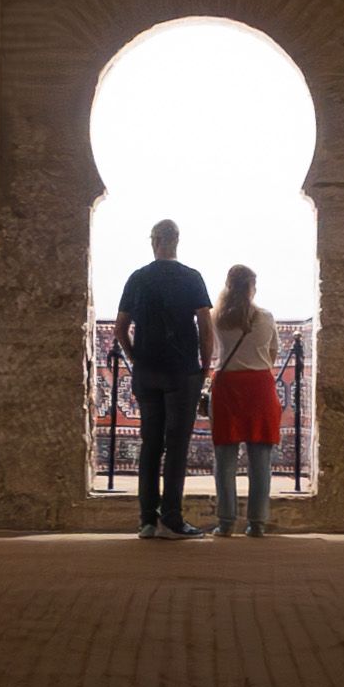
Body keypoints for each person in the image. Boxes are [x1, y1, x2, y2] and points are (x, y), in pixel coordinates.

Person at [113, 219, 210, 538]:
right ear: (176, 241)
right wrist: (205, 365)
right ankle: (172, 518)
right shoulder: (191, 278)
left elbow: (120, 328)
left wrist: (136, 358)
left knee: (151, 445)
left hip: (148, 371)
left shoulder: (138, 278)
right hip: (182, 372)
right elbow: (205, 325)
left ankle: (147, 520)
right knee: (177, 446)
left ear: (154, 241)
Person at [204, 265, 286, 537]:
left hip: (228, 387)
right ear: (252, 287)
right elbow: (272, 354)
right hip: (260, 388)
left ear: (228, 286)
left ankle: (226, 522)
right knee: (260, 460)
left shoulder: (216, 318)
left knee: (225, 460)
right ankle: (257, 523)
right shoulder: (266, 317)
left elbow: (211, 351)